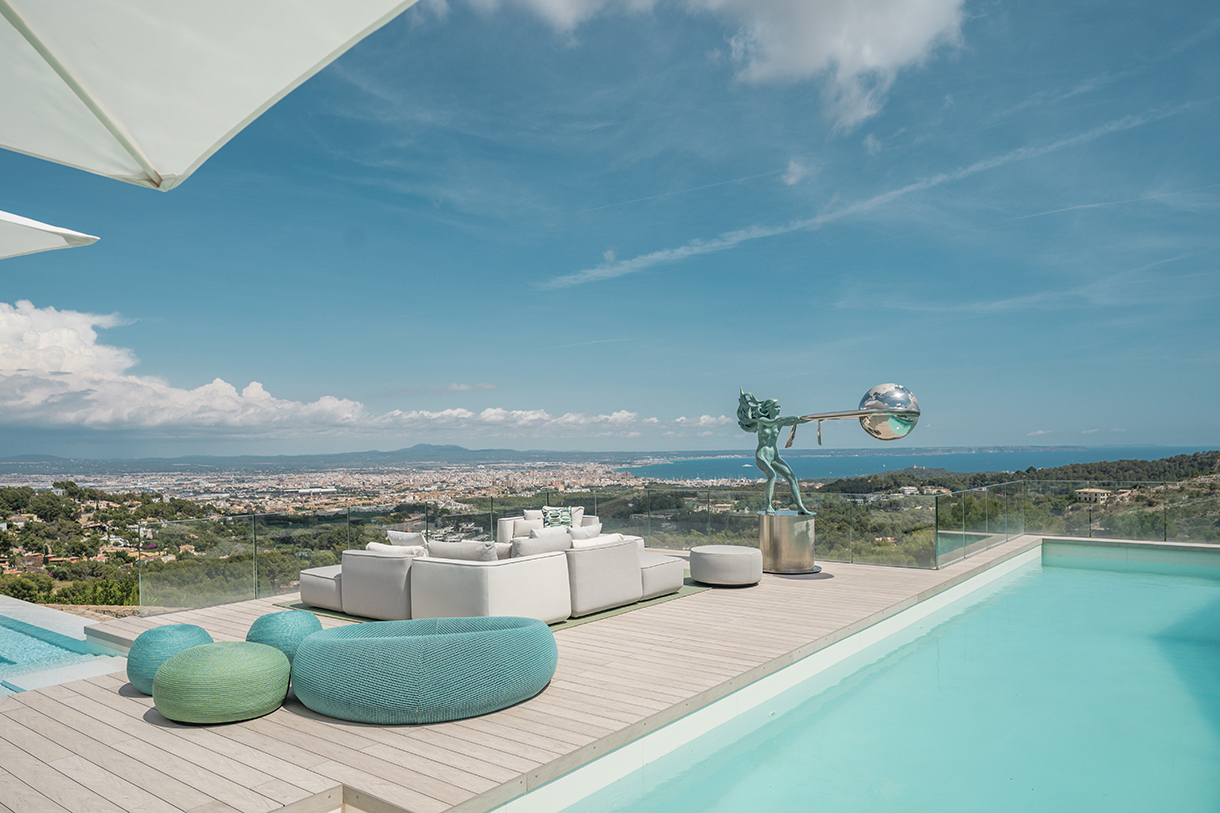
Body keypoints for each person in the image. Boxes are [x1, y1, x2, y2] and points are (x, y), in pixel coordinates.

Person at [737, 390, 812, 515]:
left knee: (792, 477)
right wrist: (788, 419)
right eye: (776, 407)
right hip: (762, 455)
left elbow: (798, 421)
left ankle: (800, 507)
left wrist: (817, 418)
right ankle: (768, 506)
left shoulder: (780, 422)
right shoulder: (762, 420)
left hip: (774, 455)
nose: (779, 409)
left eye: (779, 407)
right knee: (772, 475)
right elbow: (773, 422)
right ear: (769, 408)